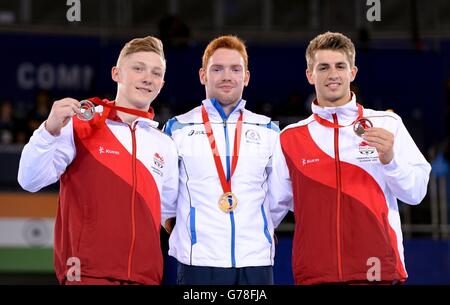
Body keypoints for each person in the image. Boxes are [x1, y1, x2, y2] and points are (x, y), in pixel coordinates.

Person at [270, 32, 431, 284]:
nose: (332, 74)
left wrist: (390, 160)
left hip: (378, 271)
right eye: (323, 67)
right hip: (316, 274)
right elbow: (272, 208)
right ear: (309, 74)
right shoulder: (289, 138)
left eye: (340, 66)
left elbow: (416, 193)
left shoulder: (387, 124)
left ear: (352, 72)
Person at [17, 36, 179, 285]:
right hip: (86, 275)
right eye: (138, 68)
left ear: (162, 83)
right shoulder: (80, 125)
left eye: (156, 73)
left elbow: (169, 215)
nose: (148, 77)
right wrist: (48, 130)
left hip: (145, 277)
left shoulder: (164, 144)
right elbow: (29, 180)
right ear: (117, 73)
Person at [163, 35, 287, 285]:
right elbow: (165, 196)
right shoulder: (178, 128)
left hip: (256, 261)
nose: (227, 76)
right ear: (203, 75)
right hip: (198, 261)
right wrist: (189, 232)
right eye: (217, 69)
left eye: (235, 69)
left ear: (246, 77)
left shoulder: (268, 131)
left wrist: (260, 227)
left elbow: (279, 195)